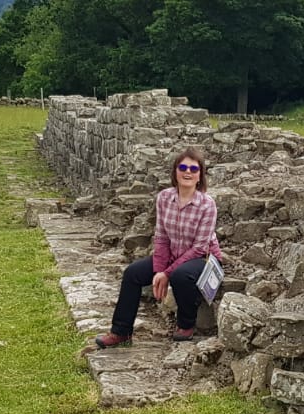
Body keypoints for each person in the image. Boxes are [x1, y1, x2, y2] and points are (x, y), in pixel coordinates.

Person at [93, 147, 224, 348]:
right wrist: (159, 271)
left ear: (200, 176)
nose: (187, 172)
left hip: (203, 258)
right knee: (132, 274)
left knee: (181, 275)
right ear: (175, 172)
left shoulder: (207, 204)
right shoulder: (164, 198)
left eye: (193, 169)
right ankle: (120, 332)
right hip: (173, 255)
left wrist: (167, 273)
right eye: (182, 167)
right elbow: (161, 238)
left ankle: (186, 324)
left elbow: (199, 247)